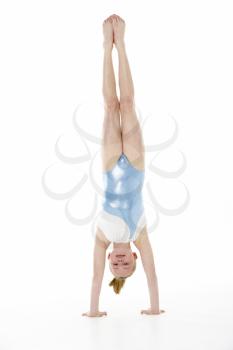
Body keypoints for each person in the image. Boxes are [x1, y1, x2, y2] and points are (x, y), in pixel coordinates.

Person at [82, 14, 165, 317]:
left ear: (109, 261)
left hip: (108, 166)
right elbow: (153, 276)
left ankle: (107, 46)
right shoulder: (140, 233)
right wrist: (154, 309)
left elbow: (94, 280)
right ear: (133, 256)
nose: (119, 263)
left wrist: (94, 312)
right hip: (135, 163)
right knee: (127, 104)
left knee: (110, 106)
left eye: (115, 265)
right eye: (126, 264)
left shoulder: (102, 238)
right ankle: (122, 44)